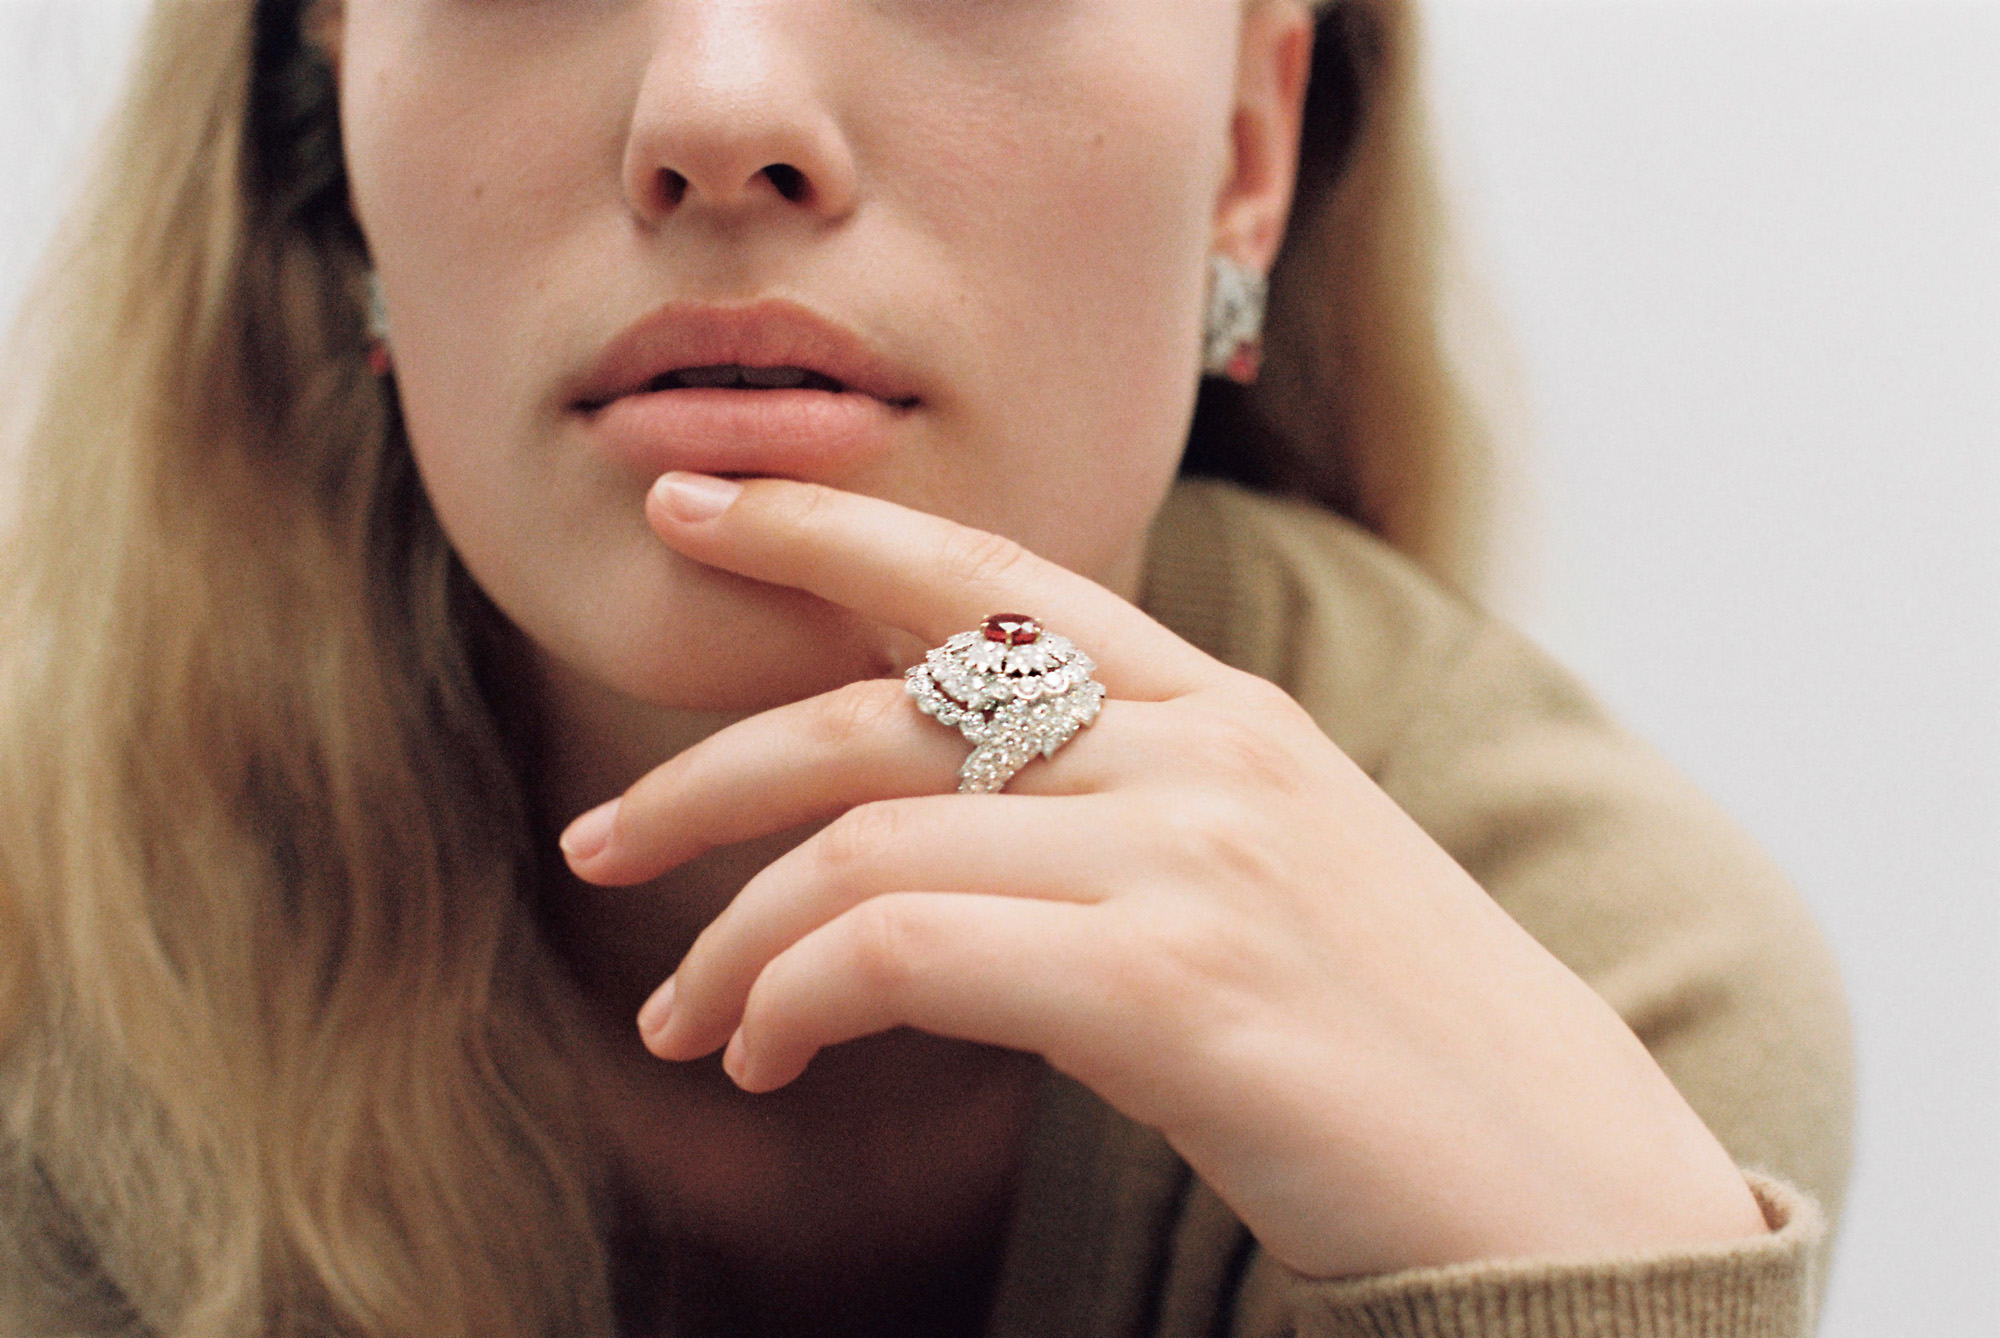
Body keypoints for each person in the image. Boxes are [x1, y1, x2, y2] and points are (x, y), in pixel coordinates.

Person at [0, 1, 1854, 1335]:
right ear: (341, 149)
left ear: (1246, 148)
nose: (717, 106)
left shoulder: (1602, 992)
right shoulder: (41, 946)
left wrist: (1595, 1297)